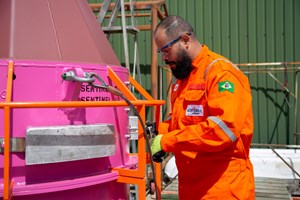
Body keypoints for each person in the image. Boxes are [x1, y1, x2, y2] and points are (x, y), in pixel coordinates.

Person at [150, 15, 255, 199]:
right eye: (161, 53)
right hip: (192, 189)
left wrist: (167, 141)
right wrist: (160, 131)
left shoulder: (221, 74)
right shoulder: (183, 80)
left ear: (185, 40)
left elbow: (224, 129)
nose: (164, 59)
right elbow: (181, 122)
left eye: (166, 50)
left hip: (222, 190)